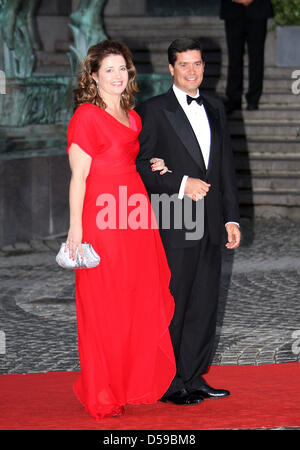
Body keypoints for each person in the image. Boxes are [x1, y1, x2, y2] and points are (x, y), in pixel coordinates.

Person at [65, 40, 176, 420]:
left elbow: (130, 162)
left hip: (135, 216)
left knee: (135, 299)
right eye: (108, 69)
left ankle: (127, 381)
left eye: (121, 68)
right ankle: (101, 391)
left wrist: (154, 163)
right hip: (101, 220)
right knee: (103, 304)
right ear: (93, 76)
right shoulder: (85, 116)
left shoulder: (133, 117)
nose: (116, 75)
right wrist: (75, 230)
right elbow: (78, 178)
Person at [136, 38, 241, 406]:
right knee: (175, 303)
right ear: (171, 69)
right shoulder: (152, 110)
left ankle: (194, 377)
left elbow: (225, 167)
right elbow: (142, 166)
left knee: (204, 303)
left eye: (197, 64)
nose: (193, 70)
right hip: (175, 220)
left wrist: (231, 218)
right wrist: (180, 182)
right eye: (184, 64)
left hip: (212, 223)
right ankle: (169, 383)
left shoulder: (215, 107)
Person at [220, 0, 273, 114]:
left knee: (256, 56)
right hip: (232, 9)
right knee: (234, 56)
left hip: (257, 9)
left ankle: (253, 99)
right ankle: (234, 98)